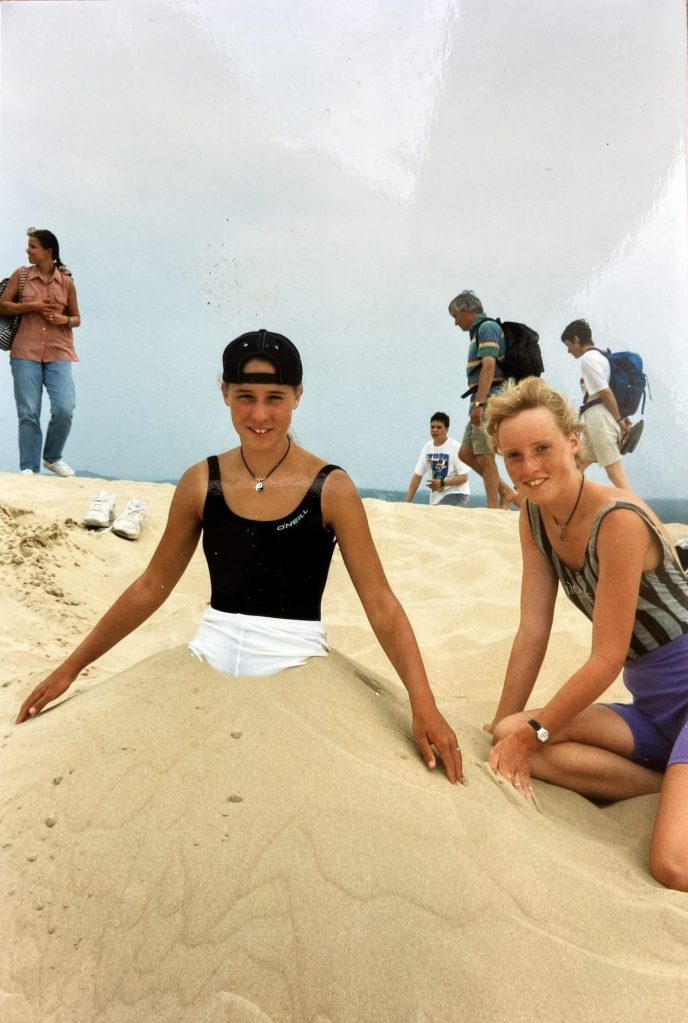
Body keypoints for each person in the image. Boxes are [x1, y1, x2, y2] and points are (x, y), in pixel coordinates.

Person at [16, 329, 463, 785]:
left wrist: (423, 703)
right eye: (245, 397)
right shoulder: (200, 482)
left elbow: (381, 602)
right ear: (224, 393)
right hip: (204, 661)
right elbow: (152, 585)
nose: (260, 414)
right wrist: (71, 668)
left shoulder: (331, 488)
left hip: (301, 666)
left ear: (298, 395)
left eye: (275, 398)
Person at [483, 376, 688, 891]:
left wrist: (532, 734)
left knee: (671, 864)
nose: (529, 468)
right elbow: (533, 628)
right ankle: (666, 783)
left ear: (574, 442)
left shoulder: (618, 519)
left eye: (543, 448)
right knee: (512, 733)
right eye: (513, 456)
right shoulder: (534, 517)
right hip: (655, 709)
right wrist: (502, 724)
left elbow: (606, 659)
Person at [0, 229, 81, 476]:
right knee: (28, 413)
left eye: (33, 246)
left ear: (48, 251)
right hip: (25, 351)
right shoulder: (21, 275)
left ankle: (52, 458)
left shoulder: (66, 282)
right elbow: (3, 305)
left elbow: (76, 318)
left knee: (65, 408)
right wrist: (32, 306)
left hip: (59, 351)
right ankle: (29, 467)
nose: (27, 250)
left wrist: (63, 319)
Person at [448, 290, 519, 510]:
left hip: (489, 398)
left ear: (466, 311)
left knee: (485, 455)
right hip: (481, 398)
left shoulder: (487, 328)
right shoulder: (479, 331)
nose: (455, 322)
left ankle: (492, 508)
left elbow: (489, 366)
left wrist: (480, 403)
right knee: (466, 453)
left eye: (455, 316)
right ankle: (505, 491)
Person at [560, 319, 640, 489]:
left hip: (600, 420)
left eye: (568, 344)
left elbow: (606, 392)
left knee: (616, 475)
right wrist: (620, 418)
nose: (568, 350)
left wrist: (620, 421)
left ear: (576, 339)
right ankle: (573, 503)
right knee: (576, 466)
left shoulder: (588, 360)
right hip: (595, 420)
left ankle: (635, 506)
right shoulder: (601, 357)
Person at [405, 412, 471, 507]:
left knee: (440, 510)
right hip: (437, 497)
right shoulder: (427, 448)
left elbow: (464, 477)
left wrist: (442, 483)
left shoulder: (455, 447)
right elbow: (417, 475)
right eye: (432, 427)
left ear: (447, 429)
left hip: (457, 493)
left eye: (439, 427)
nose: (434, 430)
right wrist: (408, 501)